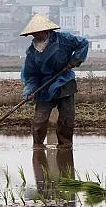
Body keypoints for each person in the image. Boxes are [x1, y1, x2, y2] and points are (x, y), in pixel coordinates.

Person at [19, 14, 89, 149]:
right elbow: (31, 75)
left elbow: (83, 43)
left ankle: (65, 146)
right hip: (45, 86)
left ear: (46, 31)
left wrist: (75, 60)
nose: (36, 36)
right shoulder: (32, 52)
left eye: (38, 33)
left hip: (64, 82)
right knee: (40, 119)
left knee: (66, 118)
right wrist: (30, 91)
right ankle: (38, 147)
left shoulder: (64, 39)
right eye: (33, 34)